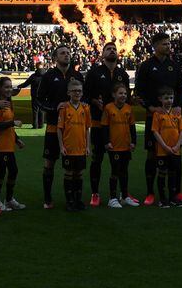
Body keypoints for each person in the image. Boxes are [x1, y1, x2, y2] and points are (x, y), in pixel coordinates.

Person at [134, 31, 182, 205]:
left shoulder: (174, 65)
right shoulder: (146, 66)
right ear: (155, 46)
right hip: (155, 117)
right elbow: (139, 91)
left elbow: (181, 89)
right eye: (165, 44)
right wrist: (150, 107)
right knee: (152, 156)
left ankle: (177, 192)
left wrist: (179, 105)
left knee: (176, 155)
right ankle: (150, 193)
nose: (168, 46)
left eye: (169, 43)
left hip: (173, 119)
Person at [36, 45, 78, 209]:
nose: (66, 55)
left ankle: (73, 198)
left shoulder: (76, 76)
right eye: (63, 53)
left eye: (68, 52)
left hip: (73, 128)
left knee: (74, 166)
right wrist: (54, 107)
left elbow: (84, 97)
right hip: (54, 127)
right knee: (49, 164)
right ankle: (47, 198)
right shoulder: (48, 76)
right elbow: (39, 100)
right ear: (55, 58)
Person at [83, 41, 123, 207]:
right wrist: (94, 102)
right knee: (97, 160)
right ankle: (95, 193)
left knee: (117, 161)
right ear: (102, 54)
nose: (112, 51)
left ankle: (115, 195)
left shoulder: (122, 74)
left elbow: (124, 97)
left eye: (114, 49)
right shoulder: (94, 73)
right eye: (108, 49)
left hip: (117, 125)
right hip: (99, 123)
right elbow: (85, 96)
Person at [0, 76, 25, 211]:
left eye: (10, 87)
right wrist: (12, 123)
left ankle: (9, 199)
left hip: (9, 145)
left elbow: (9, 126)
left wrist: (17, 140)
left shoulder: (9, 103)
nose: (9, 89)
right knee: (1, 173)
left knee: (13, 171)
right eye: (6, 87)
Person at [58, 78, 92, 210]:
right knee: (68, 173)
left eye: (79, 91)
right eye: (74, 91)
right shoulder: (64, 108)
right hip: (68, 147)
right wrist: (61, 146)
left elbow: (88, 128)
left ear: (82, 93)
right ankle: (69, 200)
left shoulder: (86, 108)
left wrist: (88, 146)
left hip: (81, 148)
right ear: (68, 93)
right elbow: (59, 129)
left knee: (79, 174)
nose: (77, 93)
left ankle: (78, 200)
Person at [103, 84, 139, 207]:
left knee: (124, 171)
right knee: (115, 170)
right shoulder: (108, 108)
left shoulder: (128, 108)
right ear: (114, 94)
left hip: (126, 145)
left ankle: (124, 196)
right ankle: (112, 198)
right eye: (120, 93)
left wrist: (133, 142)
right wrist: (107, 142)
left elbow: (132, 127)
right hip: (114, 146)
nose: (123, 95)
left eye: (125, 93)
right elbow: (105, 127)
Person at [152, 87, 182, 208]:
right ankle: (162, 199)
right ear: (160, 99)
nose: (169, 100)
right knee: (162, 173)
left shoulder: (177, 114)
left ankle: (173, 198)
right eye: (166, 98)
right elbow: (155, 132)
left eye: (171, 98)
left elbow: (181, 131)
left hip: (175, 150)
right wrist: (165, 146)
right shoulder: (157, 114)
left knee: (173, 174)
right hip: (162, 151)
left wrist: (177, 146)